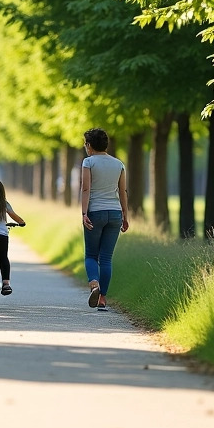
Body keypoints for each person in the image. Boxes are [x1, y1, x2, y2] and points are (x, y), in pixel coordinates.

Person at [80, 127, 129, 312]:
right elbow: (122, 191)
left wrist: (84, 213)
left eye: (86, 144)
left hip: (95, 212)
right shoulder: (119, 164)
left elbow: (86, 189)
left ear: (89, 145)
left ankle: (94, 284)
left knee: (91, 255)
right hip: (115, 213)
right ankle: (102, 298)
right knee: (106, 258)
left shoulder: (88, 162)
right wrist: (125, 215)